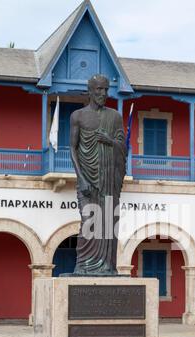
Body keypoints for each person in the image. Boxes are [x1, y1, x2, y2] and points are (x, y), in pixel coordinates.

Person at [70, 74, 127, 276]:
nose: (103, 93)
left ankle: (106, 266)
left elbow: (122, 145)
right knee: (88, 220)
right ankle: (84, 266)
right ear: (90, 90)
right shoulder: (78, 115)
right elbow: (73, 148)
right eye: (99, 89)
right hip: (87, 180)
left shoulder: (115, 116)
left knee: (108, 223)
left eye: (105, 89)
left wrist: (109, 141)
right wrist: (81, 178)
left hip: (108, 180)